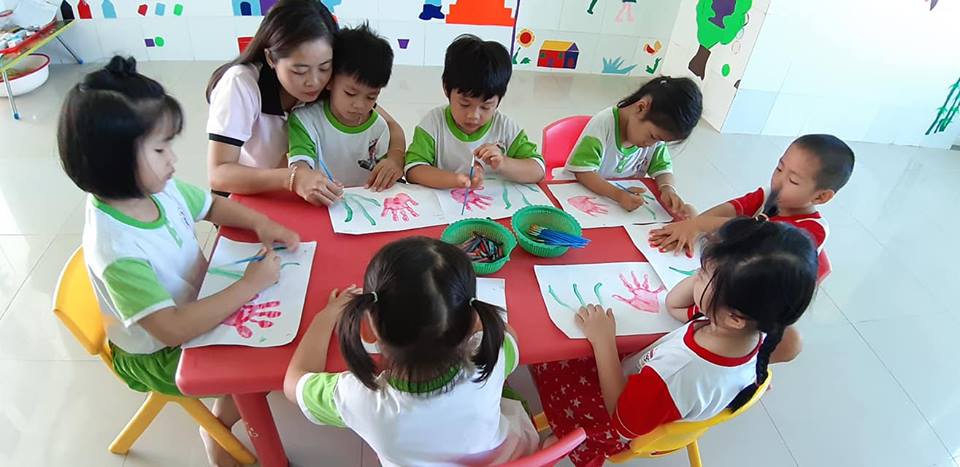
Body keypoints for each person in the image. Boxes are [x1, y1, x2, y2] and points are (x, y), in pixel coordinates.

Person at [59, 56, 300, 467]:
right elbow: (172, 329)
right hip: (155, 353)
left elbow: (211, 206)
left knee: (277, 330)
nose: (173, 159)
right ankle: (217, 430)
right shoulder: (117, 249)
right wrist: (248, 285)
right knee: (260, 361)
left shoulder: (155, 189)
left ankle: (228, 411)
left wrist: (261, 223)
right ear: (112, 162)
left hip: (195, 303)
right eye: (159, 148)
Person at [284, 237, 538, 466]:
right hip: (515, 458)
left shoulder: (360, 399)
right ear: (473, 319)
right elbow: (509, 334)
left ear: (367, 330)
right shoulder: (493, 353)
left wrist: (325, 316)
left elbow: (293, 382)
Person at [563, 77, 703, 219]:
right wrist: (619, 195)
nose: (652, 144)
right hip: (577, 198)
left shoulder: (654, 137)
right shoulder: (603, 124)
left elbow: (663, 169)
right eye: (653, 136)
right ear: (641, 108)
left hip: (615, 211)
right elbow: (583, 173)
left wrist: (667, 188)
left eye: (660, 140)